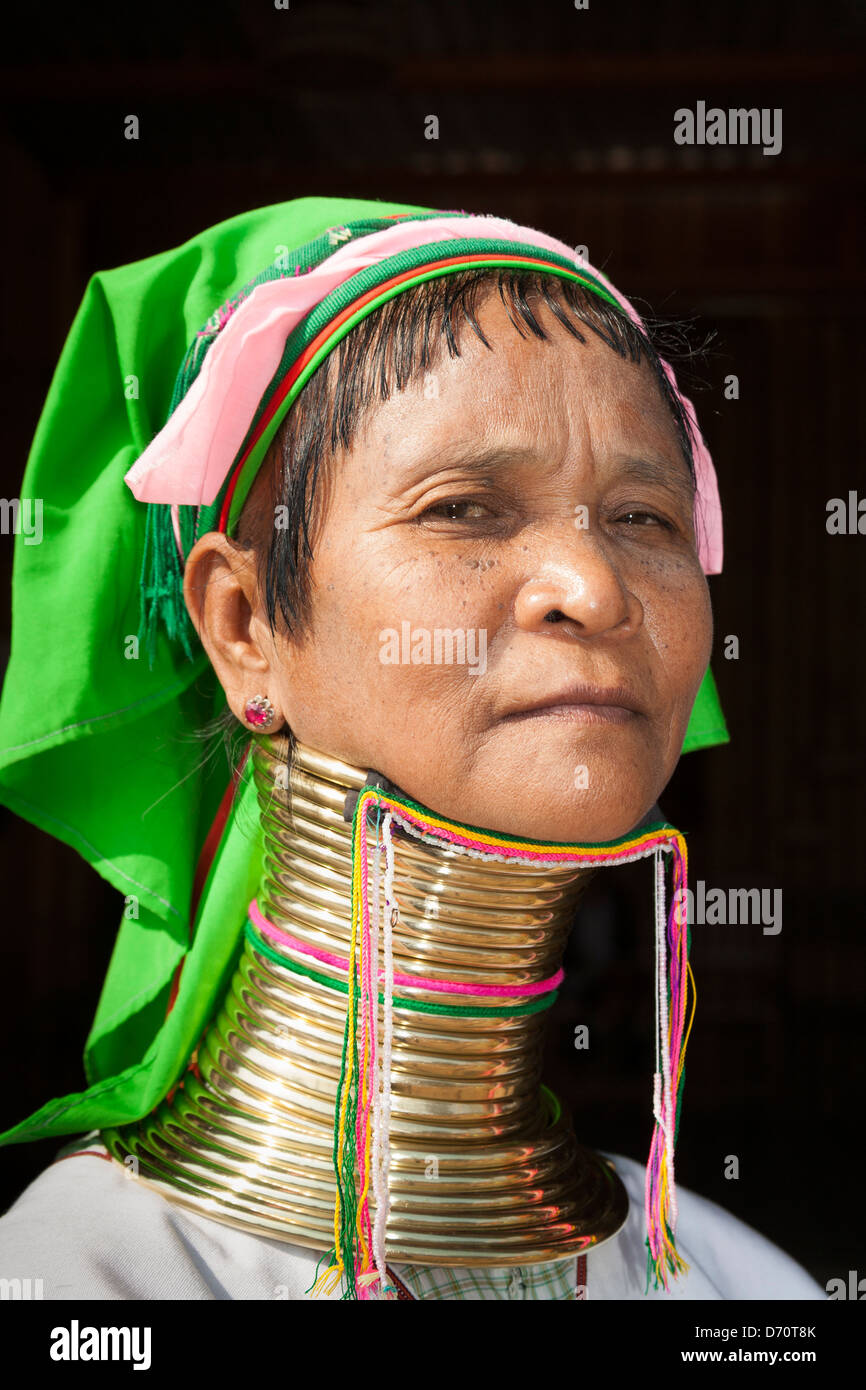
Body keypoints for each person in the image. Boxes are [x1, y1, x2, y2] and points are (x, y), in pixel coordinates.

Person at [0, 197, 823, 1301]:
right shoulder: (85, 1276)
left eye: (642, 519)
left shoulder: (719, 1277)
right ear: (244, 626)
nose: (593, 589)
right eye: (465, 507)